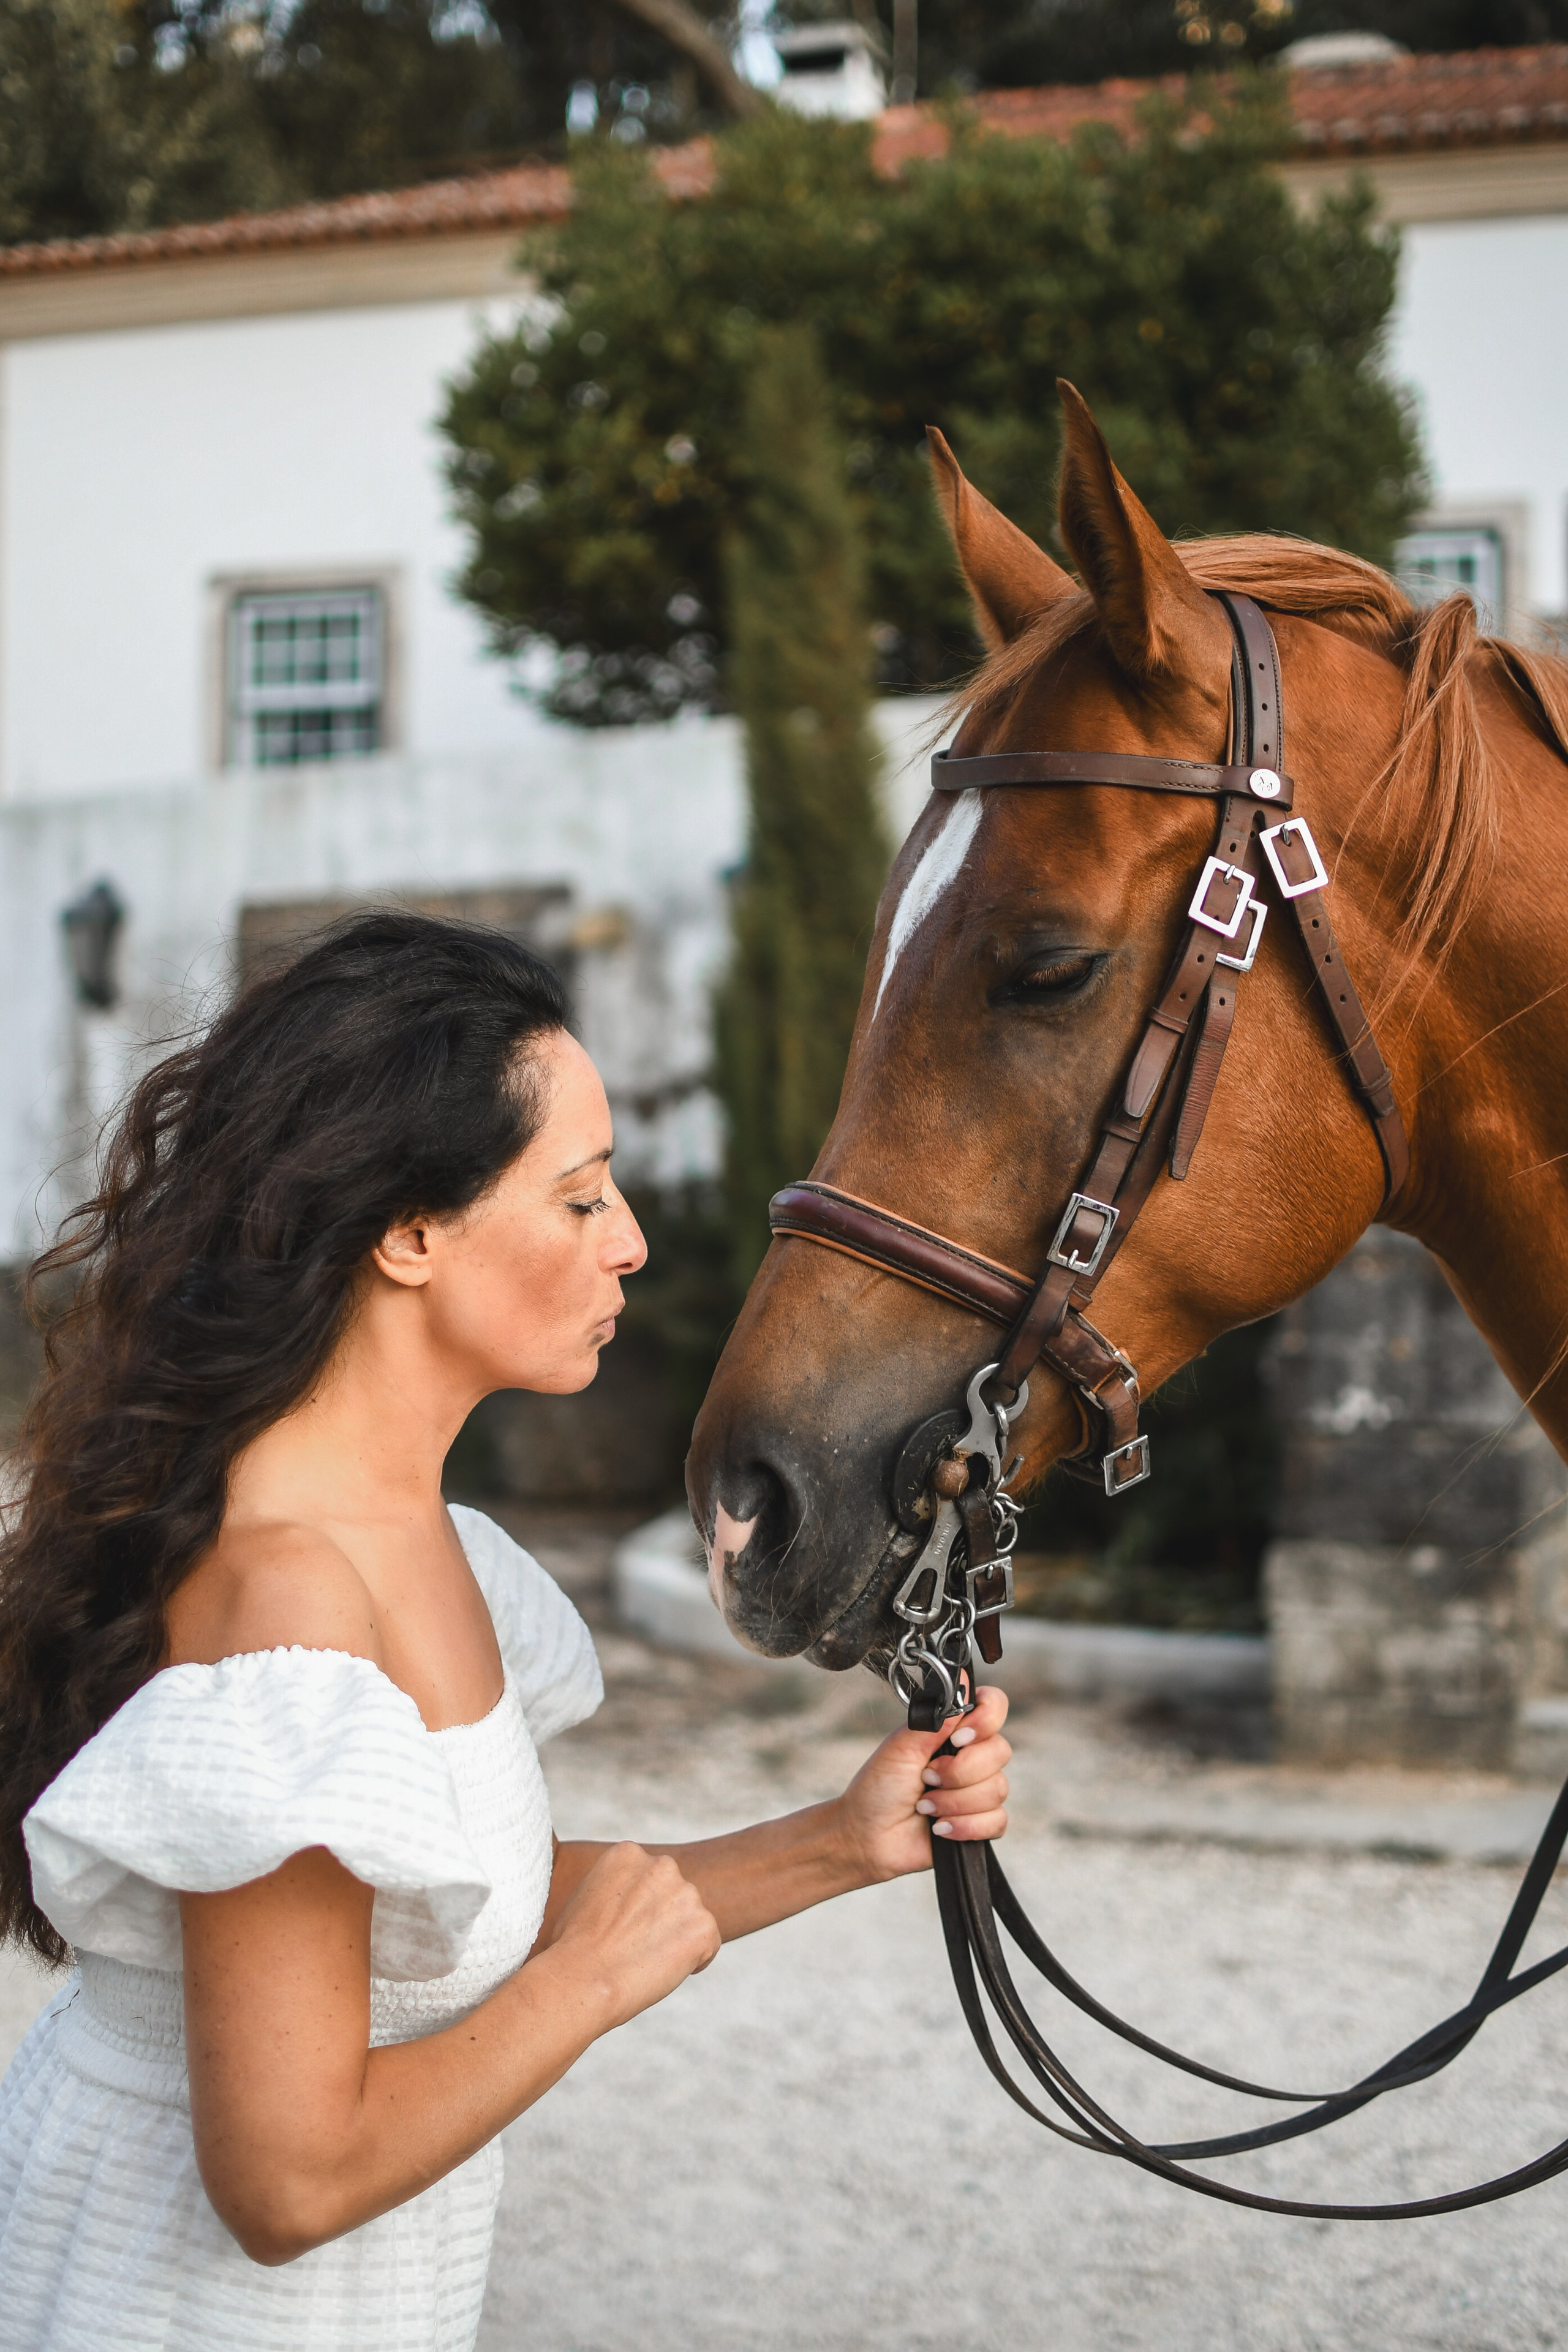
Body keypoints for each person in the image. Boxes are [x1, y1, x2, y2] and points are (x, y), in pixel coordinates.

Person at [0, 912, 1010, 2352]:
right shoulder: (289, 1605)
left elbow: (447, 1908)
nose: (633, 1244)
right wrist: (585, 1993)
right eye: (581, 1198)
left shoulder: (421, 1541)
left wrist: (840, 1841)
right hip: (172, 2307)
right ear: (408, 1233)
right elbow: (280, 2183)